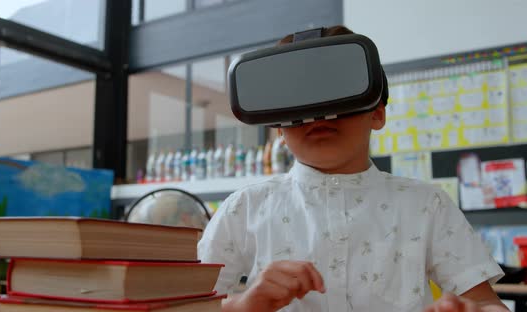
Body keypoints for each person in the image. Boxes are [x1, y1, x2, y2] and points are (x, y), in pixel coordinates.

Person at [198, 25, 507, 312]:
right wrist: (244, 306)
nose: (319, 116)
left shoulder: (427, 205)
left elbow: (487, 304)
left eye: (337, 91)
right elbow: (179, 306)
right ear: (278, 126)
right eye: (298, 101)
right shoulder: (244, 208)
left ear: (377, 113)